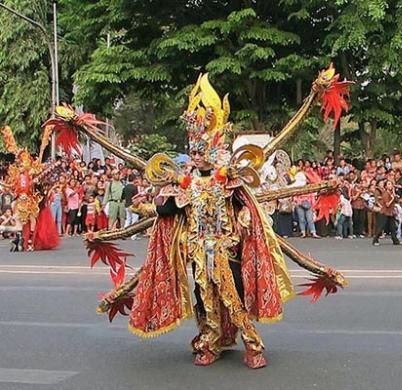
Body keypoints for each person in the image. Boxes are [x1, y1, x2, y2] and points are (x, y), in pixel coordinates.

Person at [50, 68, 348, 369]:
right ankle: (210, 340)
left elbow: (247, 205)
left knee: (233, 298)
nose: (197, 153)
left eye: (202, 147)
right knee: (204, 298)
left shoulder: (227, 178)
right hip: (196, 250)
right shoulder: (185, 182)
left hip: (226, 251)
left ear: (215, 146)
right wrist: (154, 203)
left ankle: (253, 344)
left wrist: (244, 218)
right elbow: (167, 211)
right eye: (194, 148)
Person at [373, 180, 401, 246]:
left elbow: (396, 200)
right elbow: (387, 204)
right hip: (384, 212)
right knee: (381, 227)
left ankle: (395, 240)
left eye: (391, 184)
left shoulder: (391, 193)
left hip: (390, 212)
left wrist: (394, 195)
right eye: (388, 184)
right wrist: (392, 198)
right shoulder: (385, 193)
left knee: (393, 227)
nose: (390, 186)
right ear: (386, 186)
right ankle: (375, 240)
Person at [122, 174, 140, 239]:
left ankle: (124, 234)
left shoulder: (125, 187)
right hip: (133, 205)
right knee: (134, 220)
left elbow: (122, 196)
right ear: (134, 179)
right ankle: (133, 235)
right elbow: (137, 197)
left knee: (128, 219)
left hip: (127, 205)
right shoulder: (134, 187)